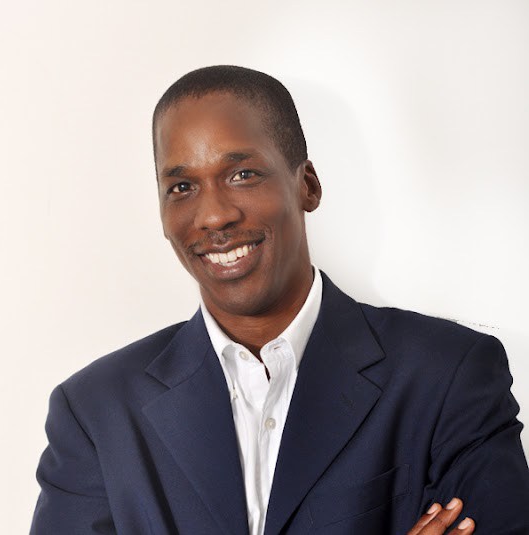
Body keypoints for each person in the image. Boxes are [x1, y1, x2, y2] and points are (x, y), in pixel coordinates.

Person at [31, 66, 529, 535]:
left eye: (242, 174)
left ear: (307, 185)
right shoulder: (95, 412)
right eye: (181, 186)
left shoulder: (446, 375)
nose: (214, 216)